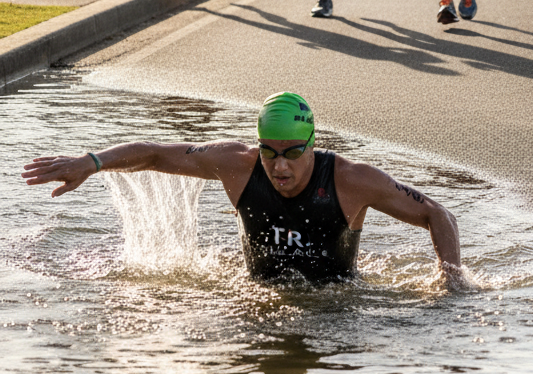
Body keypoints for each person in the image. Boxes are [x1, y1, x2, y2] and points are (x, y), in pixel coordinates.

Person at [22, 91, 462, 287]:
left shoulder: (352, 179)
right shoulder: (238, 165)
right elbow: (155, 153)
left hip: (338, 303)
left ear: (312, 145)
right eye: (269, 152)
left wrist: (452, 285)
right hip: (258, 294)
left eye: (291, 152)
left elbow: (437, 216)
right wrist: (92, 162)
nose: (279, 165)